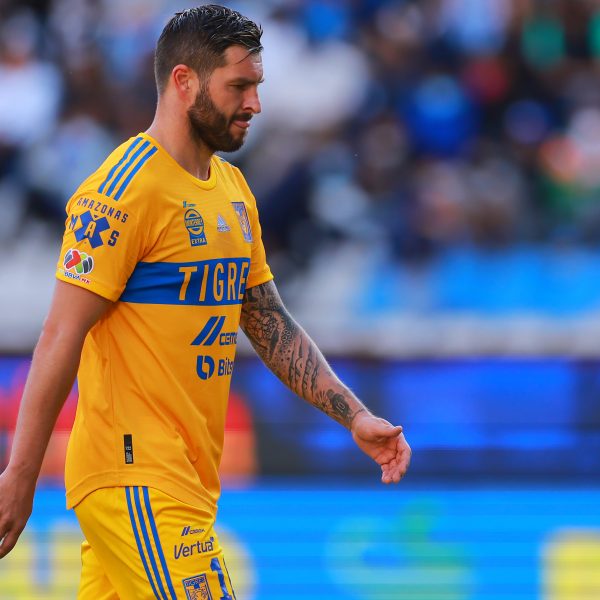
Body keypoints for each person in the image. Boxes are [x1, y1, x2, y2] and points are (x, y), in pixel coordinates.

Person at [0, 5, 411, 598]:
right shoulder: (121, 194)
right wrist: (20, 474)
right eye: (238, 86)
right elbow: (60, 335)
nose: (255, 104)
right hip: (136, 477)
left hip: (185, 481)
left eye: (256, 86)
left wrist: (354, 415)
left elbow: (266, 320)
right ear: (184, 81)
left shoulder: (233, 189)